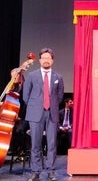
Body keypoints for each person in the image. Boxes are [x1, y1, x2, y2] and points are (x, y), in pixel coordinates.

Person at [23, 47, 64, 181]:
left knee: (52, 144)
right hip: (35, 114)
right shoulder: (32, 76)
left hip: (52, 113)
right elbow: (26, 96)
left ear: (52, 61)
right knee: (35, 144)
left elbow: (59, 97)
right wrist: (36, 106)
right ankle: (36, 171)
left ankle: (51, 171)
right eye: (44, 58)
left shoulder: (58, 77)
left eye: (49, 58)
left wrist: (50, 106)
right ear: (40, 60)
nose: (46, 60)